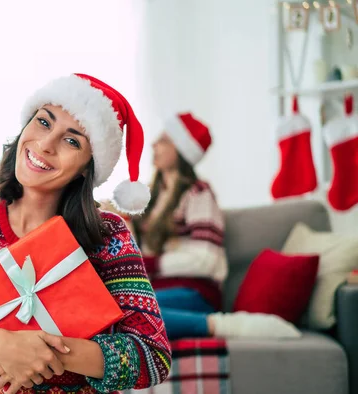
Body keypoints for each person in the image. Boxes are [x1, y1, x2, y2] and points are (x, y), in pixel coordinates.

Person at [0, 74, 171, 394]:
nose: (46, 144)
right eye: (43, 122)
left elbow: (152, 356)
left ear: (85, 167)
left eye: (72, 140)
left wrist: (38, 352)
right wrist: (2, 343)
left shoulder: (109, 234)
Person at [106, 113, 301, 340]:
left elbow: (205, 260)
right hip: (156, 288)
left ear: (182, 150)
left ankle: (218, 325)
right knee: (109, 308)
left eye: (165, 140)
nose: (154, 144)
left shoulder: (199, 194)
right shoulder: (151, 197)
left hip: (194, 292)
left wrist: (147, 264)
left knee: (124, 313)